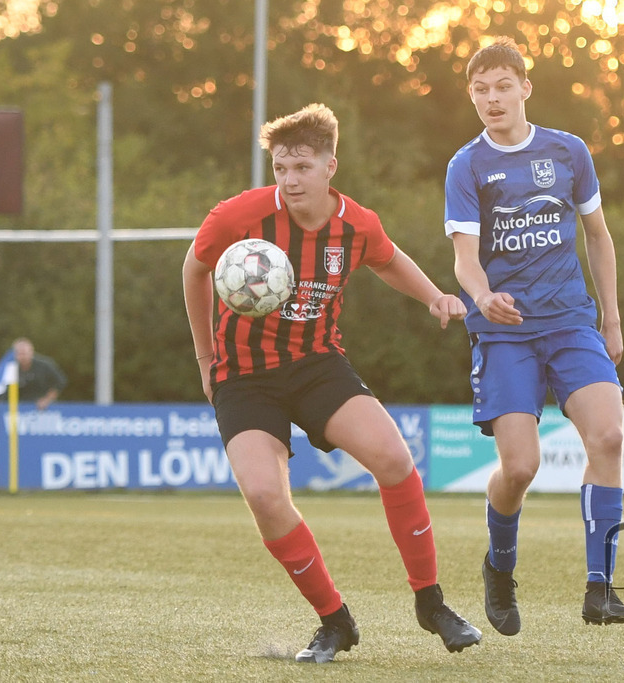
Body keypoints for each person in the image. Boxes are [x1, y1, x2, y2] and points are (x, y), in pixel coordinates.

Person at [182, 103, 481, 664]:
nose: (290, 180)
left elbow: (387, 258)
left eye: (301, 167)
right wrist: (205, 357)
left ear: (329, 167)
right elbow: (194, 269)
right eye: (280, 168)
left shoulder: (356, 224)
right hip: (243, 377)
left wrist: (435, 296)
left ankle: (431, 602)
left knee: (394, 460)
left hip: (317, 363)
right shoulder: (238, 217)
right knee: (266, 497)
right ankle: (334, 621)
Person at [443, 37, 624, 634]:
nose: (492, 98)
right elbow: (464, 259)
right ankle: (499, 569)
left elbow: (598, 236)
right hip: (505, 334)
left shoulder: (569, 151)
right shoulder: (466, 165)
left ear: (525, 88)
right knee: (520, 468)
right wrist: (481, 297)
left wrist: (611, 317)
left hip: (573, 322)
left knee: (607, 435)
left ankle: (599, 587)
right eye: (480, 89)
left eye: (503, 86)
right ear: (472, 96)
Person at [8, 337, 66, 410]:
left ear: (31, 352)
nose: (22, 357)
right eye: (18, 353)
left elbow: (60, 382)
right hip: (19, 408)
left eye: (24, 353)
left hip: (44, 409)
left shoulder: (45, 365)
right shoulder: (10, 368)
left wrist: (47, 400)